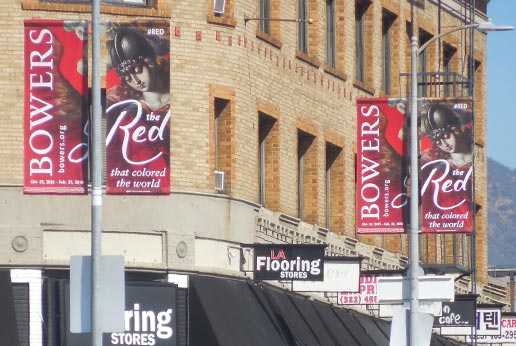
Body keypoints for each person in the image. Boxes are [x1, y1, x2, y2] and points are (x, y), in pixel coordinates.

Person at [105, 26, 171, 194]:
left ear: (150, 61)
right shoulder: (132, 115)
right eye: (128, 78)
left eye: (138, 71)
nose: (136, 81)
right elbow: (145, 159)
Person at [420, 103, 473, 170]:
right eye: (439, 143)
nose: (445, 144)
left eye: (446, 136)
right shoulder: (441, 168)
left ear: (455, 130)